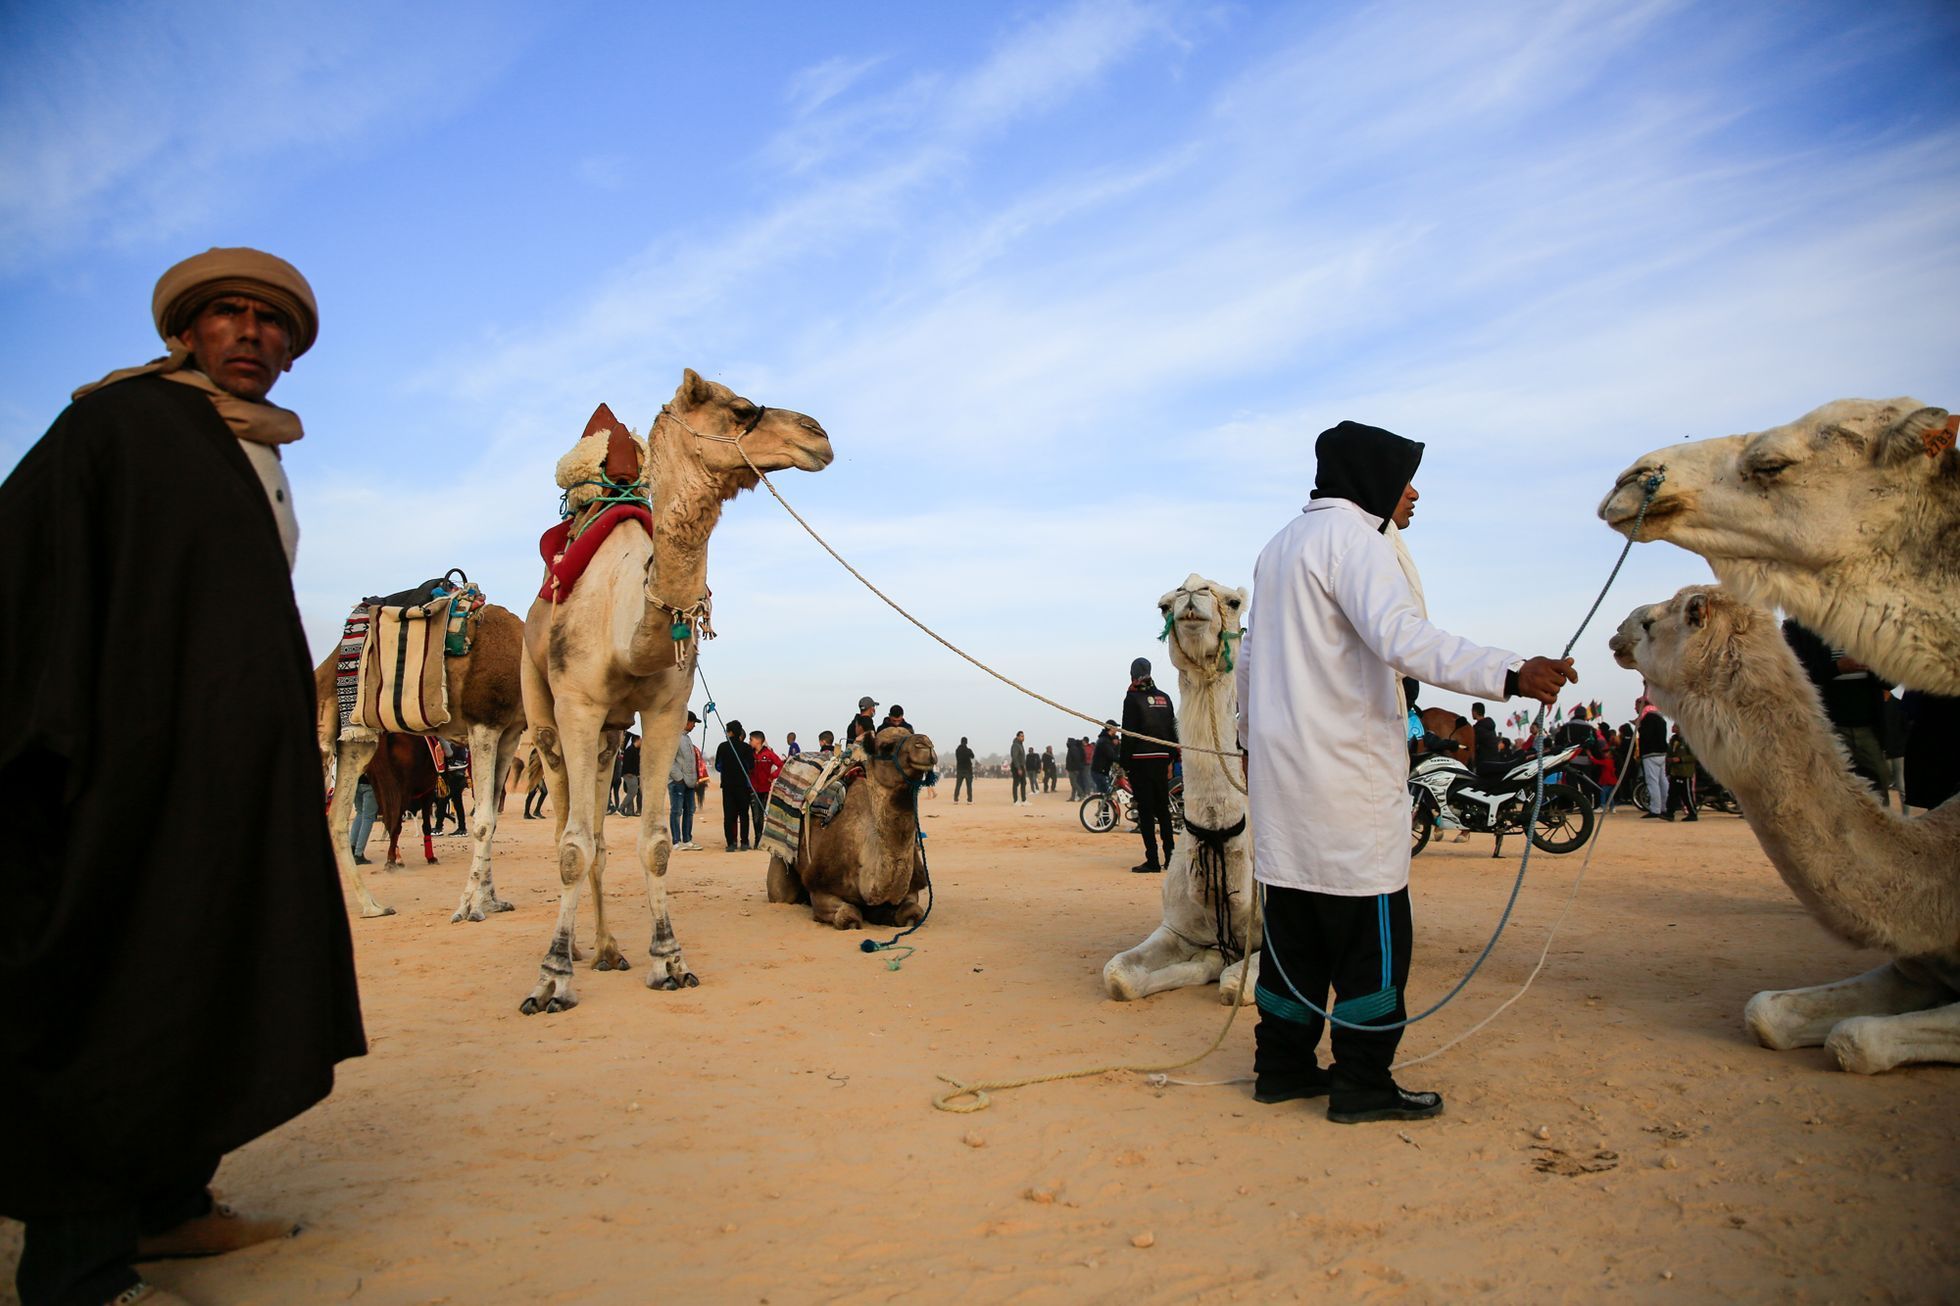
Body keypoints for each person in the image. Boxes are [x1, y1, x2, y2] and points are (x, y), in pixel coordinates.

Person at [0, 247, 366, 1306]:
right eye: (228, 317)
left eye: (271, 324)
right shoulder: (120, 425)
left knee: (209, 966)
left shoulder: (247, 446)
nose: (251, 334)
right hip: (131, 770)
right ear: (184, 334)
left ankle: (169, 1203)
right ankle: (77, 1265)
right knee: (119, 987)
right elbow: (32, 560)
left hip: (224, 774)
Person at [1238, 419, 1573, 1126]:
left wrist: (1248, 741)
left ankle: (1283, 1069)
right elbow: (1402, 637)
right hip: (1347, 789)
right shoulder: (1356, 542)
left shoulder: (1278, 549)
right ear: (1371, 479)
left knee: (1293, 935)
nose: (1413, 494)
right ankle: (1361, 1081)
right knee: (1372, 940)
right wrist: (1511, 672)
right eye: (1404, 477)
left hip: (1285, 788)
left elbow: (1248, 663)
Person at [1783, 619, 1893, 804]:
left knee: (1878, 785)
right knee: (1828, 790)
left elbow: (1891, 681)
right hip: (1825, 726)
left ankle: (1878, 830)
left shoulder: (1867, 627)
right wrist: (1837, 668)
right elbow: (1793, 678)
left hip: (1867, 725)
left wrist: (1875, 664)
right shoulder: (1798, 628)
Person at [1120, 657, 1178, 874]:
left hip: (1141, 761)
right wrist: (1172, 758)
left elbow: (1128, 734)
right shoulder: (1165, 698)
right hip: (1162, 759)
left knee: (1145, 812)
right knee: (1162, 810)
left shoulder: (1132, 698)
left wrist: (1123, 763)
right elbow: (1173, 729)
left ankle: (1152, 860)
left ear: (1133, 675)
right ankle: (1171, 857)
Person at [714, 721, 758, 851]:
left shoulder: (722, 747)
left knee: (729, 815)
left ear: (730, 732)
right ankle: (744, 843)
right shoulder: (746, 748)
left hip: (728, 786)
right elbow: (751, 766)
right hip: (742, 786)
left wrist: (728, 769)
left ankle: (731, 843)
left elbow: (718, 766)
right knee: (744, 814)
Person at [668, 712, 703, 850]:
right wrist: (679, 778)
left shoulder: (687, 739)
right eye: (692, 722)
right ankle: (676, 842)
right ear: (685, 721)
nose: (694, 725)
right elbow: (669, 761)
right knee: (676, 811)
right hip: (678, 783)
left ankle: (687, 839)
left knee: (689, 810)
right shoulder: (673, 738)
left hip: (689, 782)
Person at [1636, 697, 1670, 820]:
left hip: (1651, 754)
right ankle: (1665, 807)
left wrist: (1639, 727)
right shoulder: (1660, 718)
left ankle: (1655, 809)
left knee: (1652, 781)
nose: (1635, 709)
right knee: (1663, 781)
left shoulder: (1647, 719)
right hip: (1661, 753)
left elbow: (1646, 736)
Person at [749, 731, 783, 831]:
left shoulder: (769, 754)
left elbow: (781, 765)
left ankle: (759, 837)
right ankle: (757, 837)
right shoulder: (749, 754)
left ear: (758, 741)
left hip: (764, 789)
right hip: (752, 788)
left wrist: (772, 776)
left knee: (761, 813)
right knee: (755, 815)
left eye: (751, 740)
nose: (749, 742)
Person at [1665, 726, 1700, 821]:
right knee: (1672, 793)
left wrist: (1681, 759)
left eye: (1676, 727)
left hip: (1685, 772)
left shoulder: (1689, 740)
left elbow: (1694, 756)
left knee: (1686, 794)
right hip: (1674, 771)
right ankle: (1670, 813)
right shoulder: (1673, 740)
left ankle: (1693, 813)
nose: (1673, 728)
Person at [350, 773, 379, 866]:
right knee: (368, 818)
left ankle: (352, 848)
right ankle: (358, 854)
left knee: (359, 813)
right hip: (369, 784)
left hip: (356, 783)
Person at [617, 730, 642, 817]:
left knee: (631, 792)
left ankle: (629, 811)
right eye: (640, 740)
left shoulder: (636, 750)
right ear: (637, 740)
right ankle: (621, 808)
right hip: (630, 774)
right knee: (633, 791)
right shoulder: (629, 750)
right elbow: (627, 764)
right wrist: (630, 773)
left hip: (633, 774)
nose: (642, 742)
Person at [1090, 722, 1118, 795]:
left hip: (1102, 771)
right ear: (1110, 728)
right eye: (1115, 728)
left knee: (1105, 795)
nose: (1117, 730)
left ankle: (1104, 806)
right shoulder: (1104, 741)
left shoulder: (1106, 739)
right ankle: (1103, 806)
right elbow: (1111, 755)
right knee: (1106, 794)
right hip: (1099, 771)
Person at [1009, 731, 1029, 805]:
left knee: (1023, 783)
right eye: (1021, 736)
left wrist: (1023, 766)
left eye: (1023, 736)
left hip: (1021, 766)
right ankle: (1015, 801)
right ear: (1017, 737)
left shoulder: (1021, 745)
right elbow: (1015, 757)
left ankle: (1024, 800)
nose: (1022, 738)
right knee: (1016, 783)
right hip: (1016, 766)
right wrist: (1018, 768)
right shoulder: (1015, 745)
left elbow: (1022, 757)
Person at [953, 737, 976, 802]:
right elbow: (972, 756)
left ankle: (955, 799)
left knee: (958, 785)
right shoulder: (968, 750)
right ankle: (969, 800)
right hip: (968, 770)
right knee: (969, 786)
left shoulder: (957, 750)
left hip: (959, 769)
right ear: (966, 742)